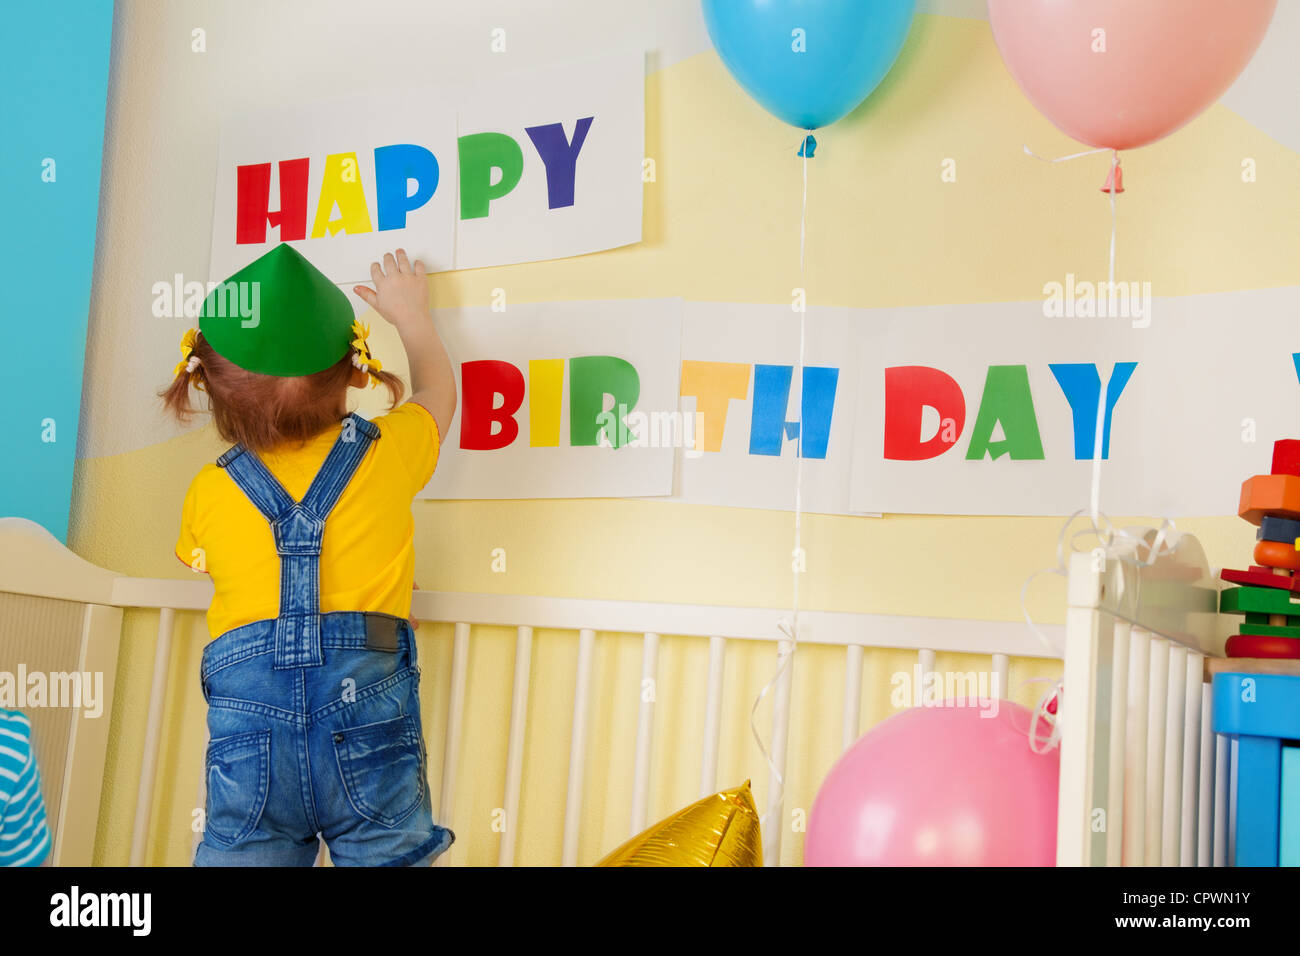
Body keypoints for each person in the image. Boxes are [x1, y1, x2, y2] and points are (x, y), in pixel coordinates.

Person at [161, 244, 457, 866]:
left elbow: (199, 560)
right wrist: (411, 317)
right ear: (356, 372)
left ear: (206, 386)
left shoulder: (209, 491)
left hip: (252, 735)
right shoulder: (387, 452)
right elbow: (437, 392)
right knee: (387, 853)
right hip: (367, 713)